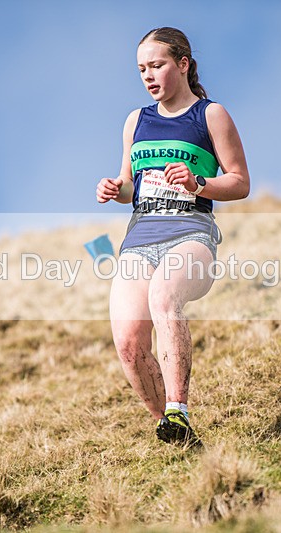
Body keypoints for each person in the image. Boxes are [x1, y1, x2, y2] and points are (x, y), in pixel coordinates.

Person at [96, 28, 250, 446]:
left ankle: (178, 409)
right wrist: (116, 189)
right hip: (139, 239)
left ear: (182, 64)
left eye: (157, 65)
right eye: (141, 69)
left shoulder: (210, 115)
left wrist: (199, 182)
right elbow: (132, 186)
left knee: (164, 298)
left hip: (191, 234)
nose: (148, 76)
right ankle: (173, 430)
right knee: (128, 341)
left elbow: (239, 183)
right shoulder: (136, 121)